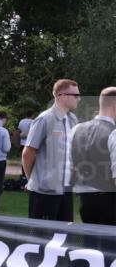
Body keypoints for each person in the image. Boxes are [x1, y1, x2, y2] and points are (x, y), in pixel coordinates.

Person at [22, 79, 80, 222]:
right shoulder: (44, 119)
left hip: (66, 190)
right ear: (62, 96)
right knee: (39, 238)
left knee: (63, 238)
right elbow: (28, 153)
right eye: (76, 95)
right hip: (44, 192)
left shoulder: (73, 120)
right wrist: (33, 181)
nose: (79, 98)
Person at [69, 87, 116, 225]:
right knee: (110, 246)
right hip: (110, 201)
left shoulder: (76, 129)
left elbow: (70, 166)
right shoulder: (113, 133)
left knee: (89, 245)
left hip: (85, 201)